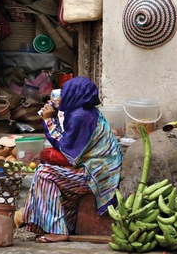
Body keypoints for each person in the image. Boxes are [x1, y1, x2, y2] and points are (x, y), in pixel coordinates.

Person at [22, 76, 123, 243]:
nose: (61, 96)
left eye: (65, 93)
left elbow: (66, 150)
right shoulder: (85, 111)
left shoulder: (80, 116)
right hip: (96, 168)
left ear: (75, 94)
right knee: (54, 174)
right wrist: (54, 116)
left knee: (44, 173)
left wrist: (48, 120)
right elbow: (68, 142)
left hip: (96, 174)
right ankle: (63, 226)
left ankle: (57, 231)